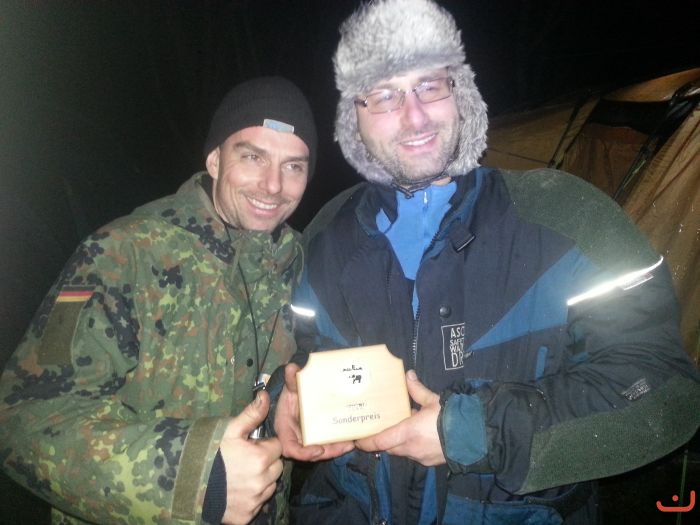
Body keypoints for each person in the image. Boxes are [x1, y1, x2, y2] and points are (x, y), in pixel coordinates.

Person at [272, 1, 700, 524]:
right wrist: (283, 401)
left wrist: (473, 431)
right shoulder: (325, 233)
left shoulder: (570, 218)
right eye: (383, 95)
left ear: (462, 93)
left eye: (430, 85)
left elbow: (665, 394)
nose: (414, 116)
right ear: (353, 118)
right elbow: (296, 358)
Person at [0, 76, 317, 525]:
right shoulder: (124, 253)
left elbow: (288, 363)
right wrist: (198, 481)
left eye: (293, 166)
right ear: (214, 160)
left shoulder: (296, 259)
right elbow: (22, 420)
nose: (272, 185)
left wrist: (289, 400)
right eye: (252, 157)